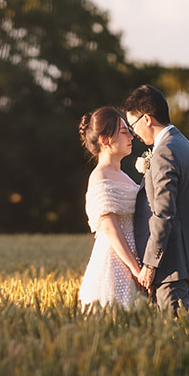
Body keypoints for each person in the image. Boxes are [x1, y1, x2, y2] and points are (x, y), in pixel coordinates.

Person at [123, 84, 189, 311]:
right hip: (186, 261)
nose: (133, 133)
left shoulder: (165, 151)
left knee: (173, 333)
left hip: (170, 265)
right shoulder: (183, 144)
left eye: (133, 125)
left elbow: (163, 213)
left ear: (147, 119)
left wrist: (151, 264)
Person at [76, 106, 147, 309]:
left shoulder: (123, 176)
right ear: (105, 140)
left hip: (135, 259)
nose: (131, 136)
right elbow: (110, 228)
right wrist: (136, 270)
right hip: (116, 263)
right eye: (124, 132)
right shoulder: (100, 177)